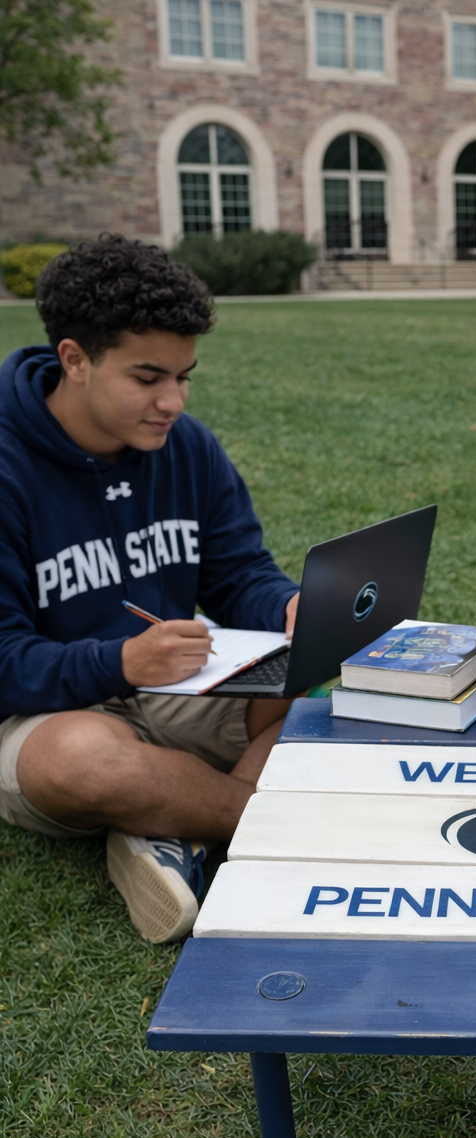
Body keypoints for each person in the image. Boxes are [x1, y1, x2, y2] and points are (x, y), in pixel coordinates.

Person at [0, 234, 300, 943]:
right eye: (147, 377)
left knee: (315, 671)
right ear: (74, 359)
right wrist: (119, 664)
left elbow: (237, 576)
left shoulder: (186, 446)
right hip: (45, 716)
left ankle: (171, 829)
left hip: (177, 681)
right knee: (86, 761)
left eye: (185, 375)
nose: (173, 400)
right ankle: (267, 821)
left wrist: (287, 607)